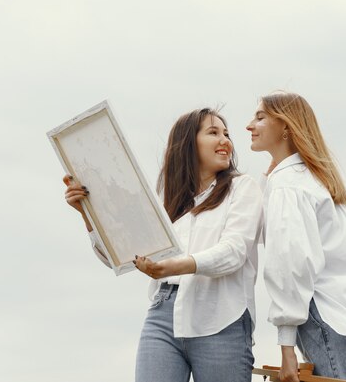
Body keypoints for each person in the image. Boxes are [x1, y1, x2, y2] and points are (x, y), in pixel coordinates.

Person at [64, 108, 263, 382]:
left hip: (221, 317)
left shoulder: (243, 188)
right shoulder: (168, 202)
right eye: (213, 133)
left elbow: (233, 253)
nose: (225, 140)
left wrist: (171, 267)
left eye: (226, 134)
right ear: (188, 143)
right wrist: (87, 214)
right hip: (163, 312)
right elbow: (119, 257)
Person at [246, 92, 346, 382]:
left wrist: (286, 344)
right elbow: (273, 234)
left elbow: (290, 262)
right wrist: (270, 177)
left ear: (286, 127)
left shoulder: (289, 185)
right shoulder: (309, 179)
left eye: (260, 117)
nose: (249, 125)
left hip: (325, 314)